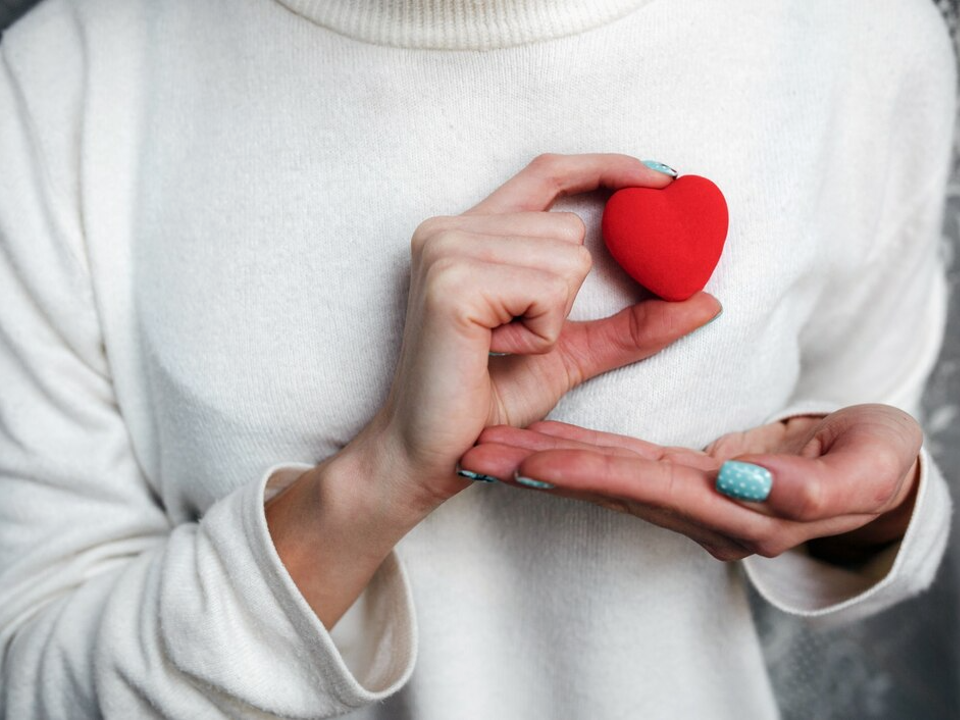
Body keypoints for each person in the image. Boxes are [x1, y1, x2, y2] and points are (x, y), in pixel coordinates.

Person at [0, 0, 954, 717]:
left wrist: (866, 512)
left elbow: (863, 454)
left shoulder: (856, 29)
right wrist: (371, 486)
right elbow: (34, 677)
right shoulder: (65, 78)